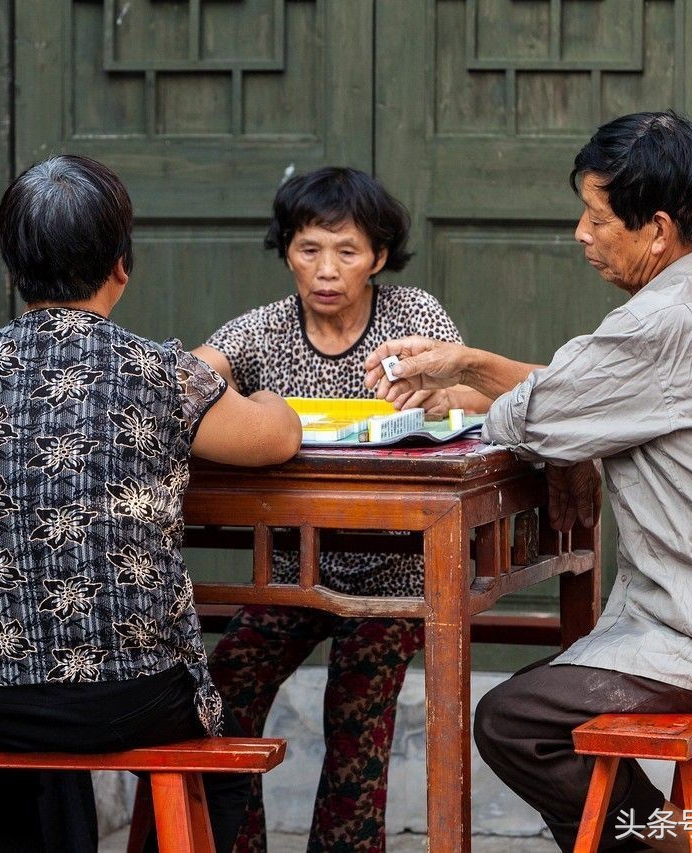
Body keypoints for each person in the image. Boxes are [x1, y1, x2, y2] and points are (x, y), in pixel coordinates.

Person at [364, 110, 692, 853]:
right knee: (540, 706)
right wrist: (466, 368)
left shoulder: (662, 328)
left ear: (657, 229)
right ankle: (687, 834)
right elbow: (582, 391)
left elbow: (538, 412)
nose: (582, 234)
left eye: (597, 216)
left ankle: (672, 840)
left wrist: (473, 382)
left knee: (513, 721)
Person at [0, 154, 302, 853]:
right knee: (221, 758)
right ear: (123, 264)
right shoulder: (160, 371)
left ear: (12, 268)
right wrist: (268, 396)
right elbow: (277, 438)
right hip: (133, 694)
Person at [191, 166, 488, 852]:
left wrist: (444, 397)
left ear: (378, 256)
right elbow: (189, 377)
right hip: (292, 567)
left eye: (346, 251)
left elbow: (480, 390)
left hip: (393, 572)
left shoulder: (413, 317)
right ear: (287, 251)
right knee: (223, 690)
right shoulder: (263, 330)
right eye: (308, 250)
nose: (326, 270)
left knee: (358, 720)